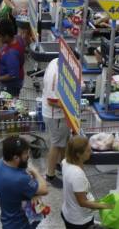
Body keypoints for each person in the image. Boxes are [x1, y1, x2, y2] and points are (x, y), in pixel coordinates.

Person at [0, 137, 48, 229]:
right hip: (21, 224)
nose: (28, 156)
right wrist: (36, 172)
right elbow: (44, 190)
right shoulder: (20, 179)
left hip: (7, 219)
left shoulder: (0, 163)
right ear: (15, 157)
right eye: (26, 153)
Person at [61, 136, 113, 229]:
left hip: (68, 212)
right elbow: (83, 202)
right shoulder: (77, 175)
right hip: (79, 221)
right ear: (78, 154)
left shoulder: (65, 162)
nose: (91, 153)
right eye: (88, 151)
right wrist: (105, 206)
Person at [41, 58, 68, 189]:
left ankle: (63, 164)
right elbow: (52, 101)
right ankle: (50, 175)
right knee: (56, 143)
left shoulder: (55, 61)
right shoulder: (56, 75)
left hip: (55, 114)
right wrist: (71, 105)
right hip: (54, 114)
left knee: (62, 139)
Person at [0, 19, 24, 97]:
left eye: (1, 37)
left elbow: (12, 75)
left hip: (9, 86)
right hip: (16, 79)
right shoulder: (18, 38)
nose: (0, 39)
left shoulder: (12, 54)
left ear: (7, 36)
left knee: (8, 105)